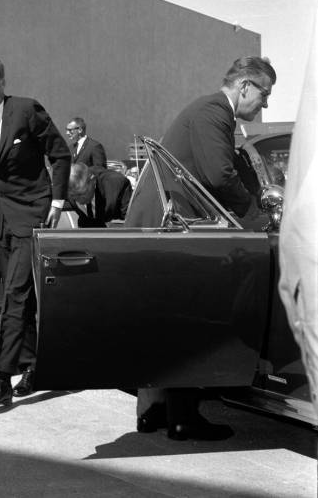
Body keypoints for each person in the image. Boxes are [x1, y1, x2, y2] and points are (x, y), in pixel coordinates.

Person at [126, 55, 277, 440]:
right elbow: (219, 174)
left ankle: (154, 411)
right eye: (264, 94)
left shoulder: (209, 111)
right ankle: (182, 419)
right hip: (173, 226)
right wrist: (258, 218)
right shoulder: (215, 111)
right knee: (188, 319)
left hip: (163, 224)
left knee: (163, 321)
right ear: (245, 86)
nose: (265, 104)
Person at [0, 55, 71, 405]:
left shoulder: (26, 110)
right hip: (0, 218)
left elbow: (60, 155)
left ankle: (2, 378)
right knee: (21, 298)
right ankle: (32, 365)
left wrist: (56, 203)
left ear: (1, 83)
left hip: (32, 214)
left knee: (13, 294)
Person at [66, 162, 132, 227]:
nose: (79, 200)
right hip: (87, 228)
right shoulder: (66, 189)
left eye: (82, 194)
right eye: (73, 196)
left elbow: (130, 220)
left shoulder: (118, 185)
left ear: (93, 181)